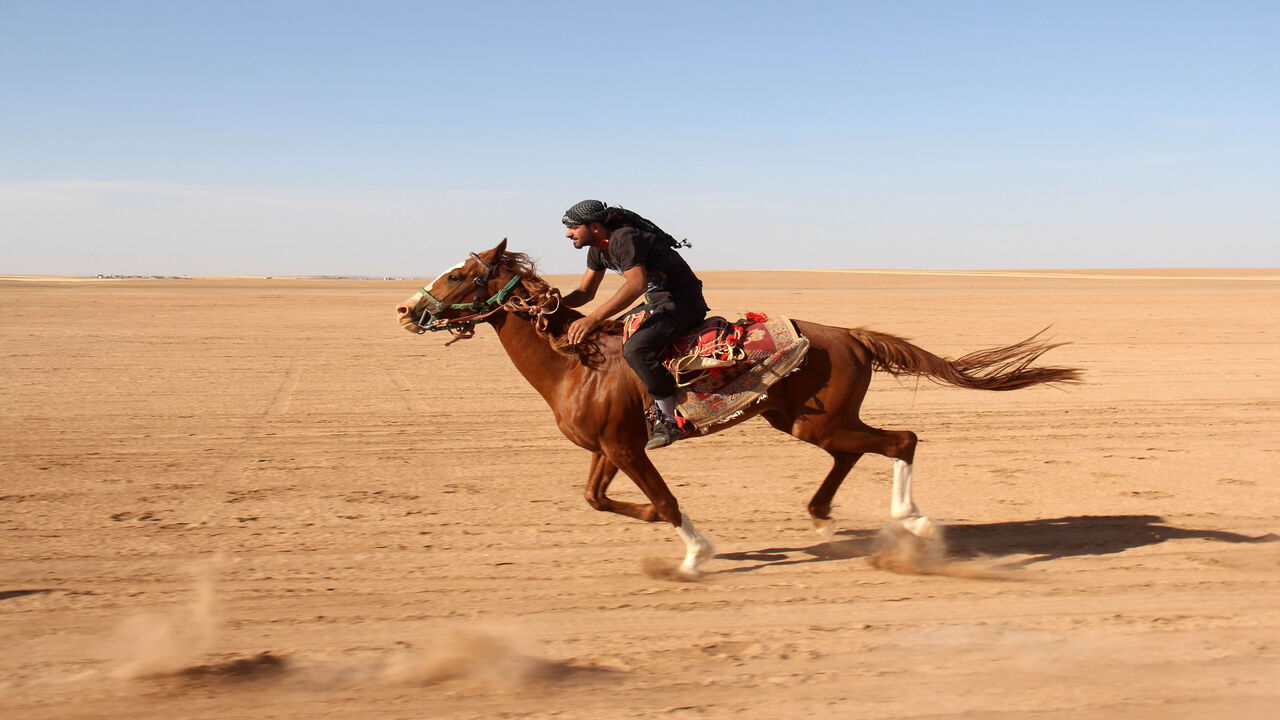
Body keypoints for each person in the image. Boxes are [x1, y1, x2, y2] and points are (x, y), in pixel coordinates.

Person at [560, 200, 709, 449]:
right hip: (658, 304)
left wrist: (593, 318)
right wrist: (554, 305)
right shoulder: (597, 249)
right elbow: (585, 293)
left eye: (573, 227)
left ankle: (669, 420)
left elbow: (636, 284)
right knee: (610, 341)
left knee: (636, 349)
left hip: (683, 304)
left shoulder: (623, 238)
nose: (568, 233)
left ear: (594, 226)